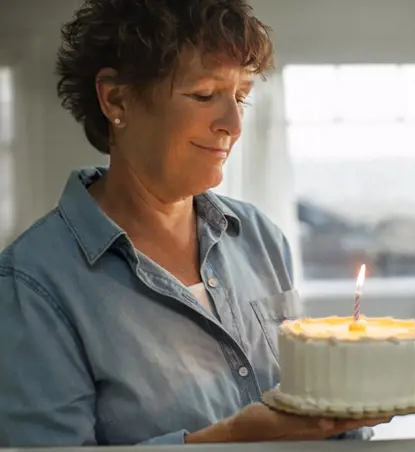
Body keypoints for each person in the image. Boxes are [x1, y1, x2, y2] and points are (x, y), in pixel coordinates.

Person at [0, 0, 388, 446]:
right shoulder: (31, 286)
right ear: (116, 98)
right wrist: (225, 441)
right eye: (205, 95)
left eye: (240, 96)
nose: (234, 123)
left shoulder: (260, 238)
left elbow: (305, 413)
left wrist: (345, 414)